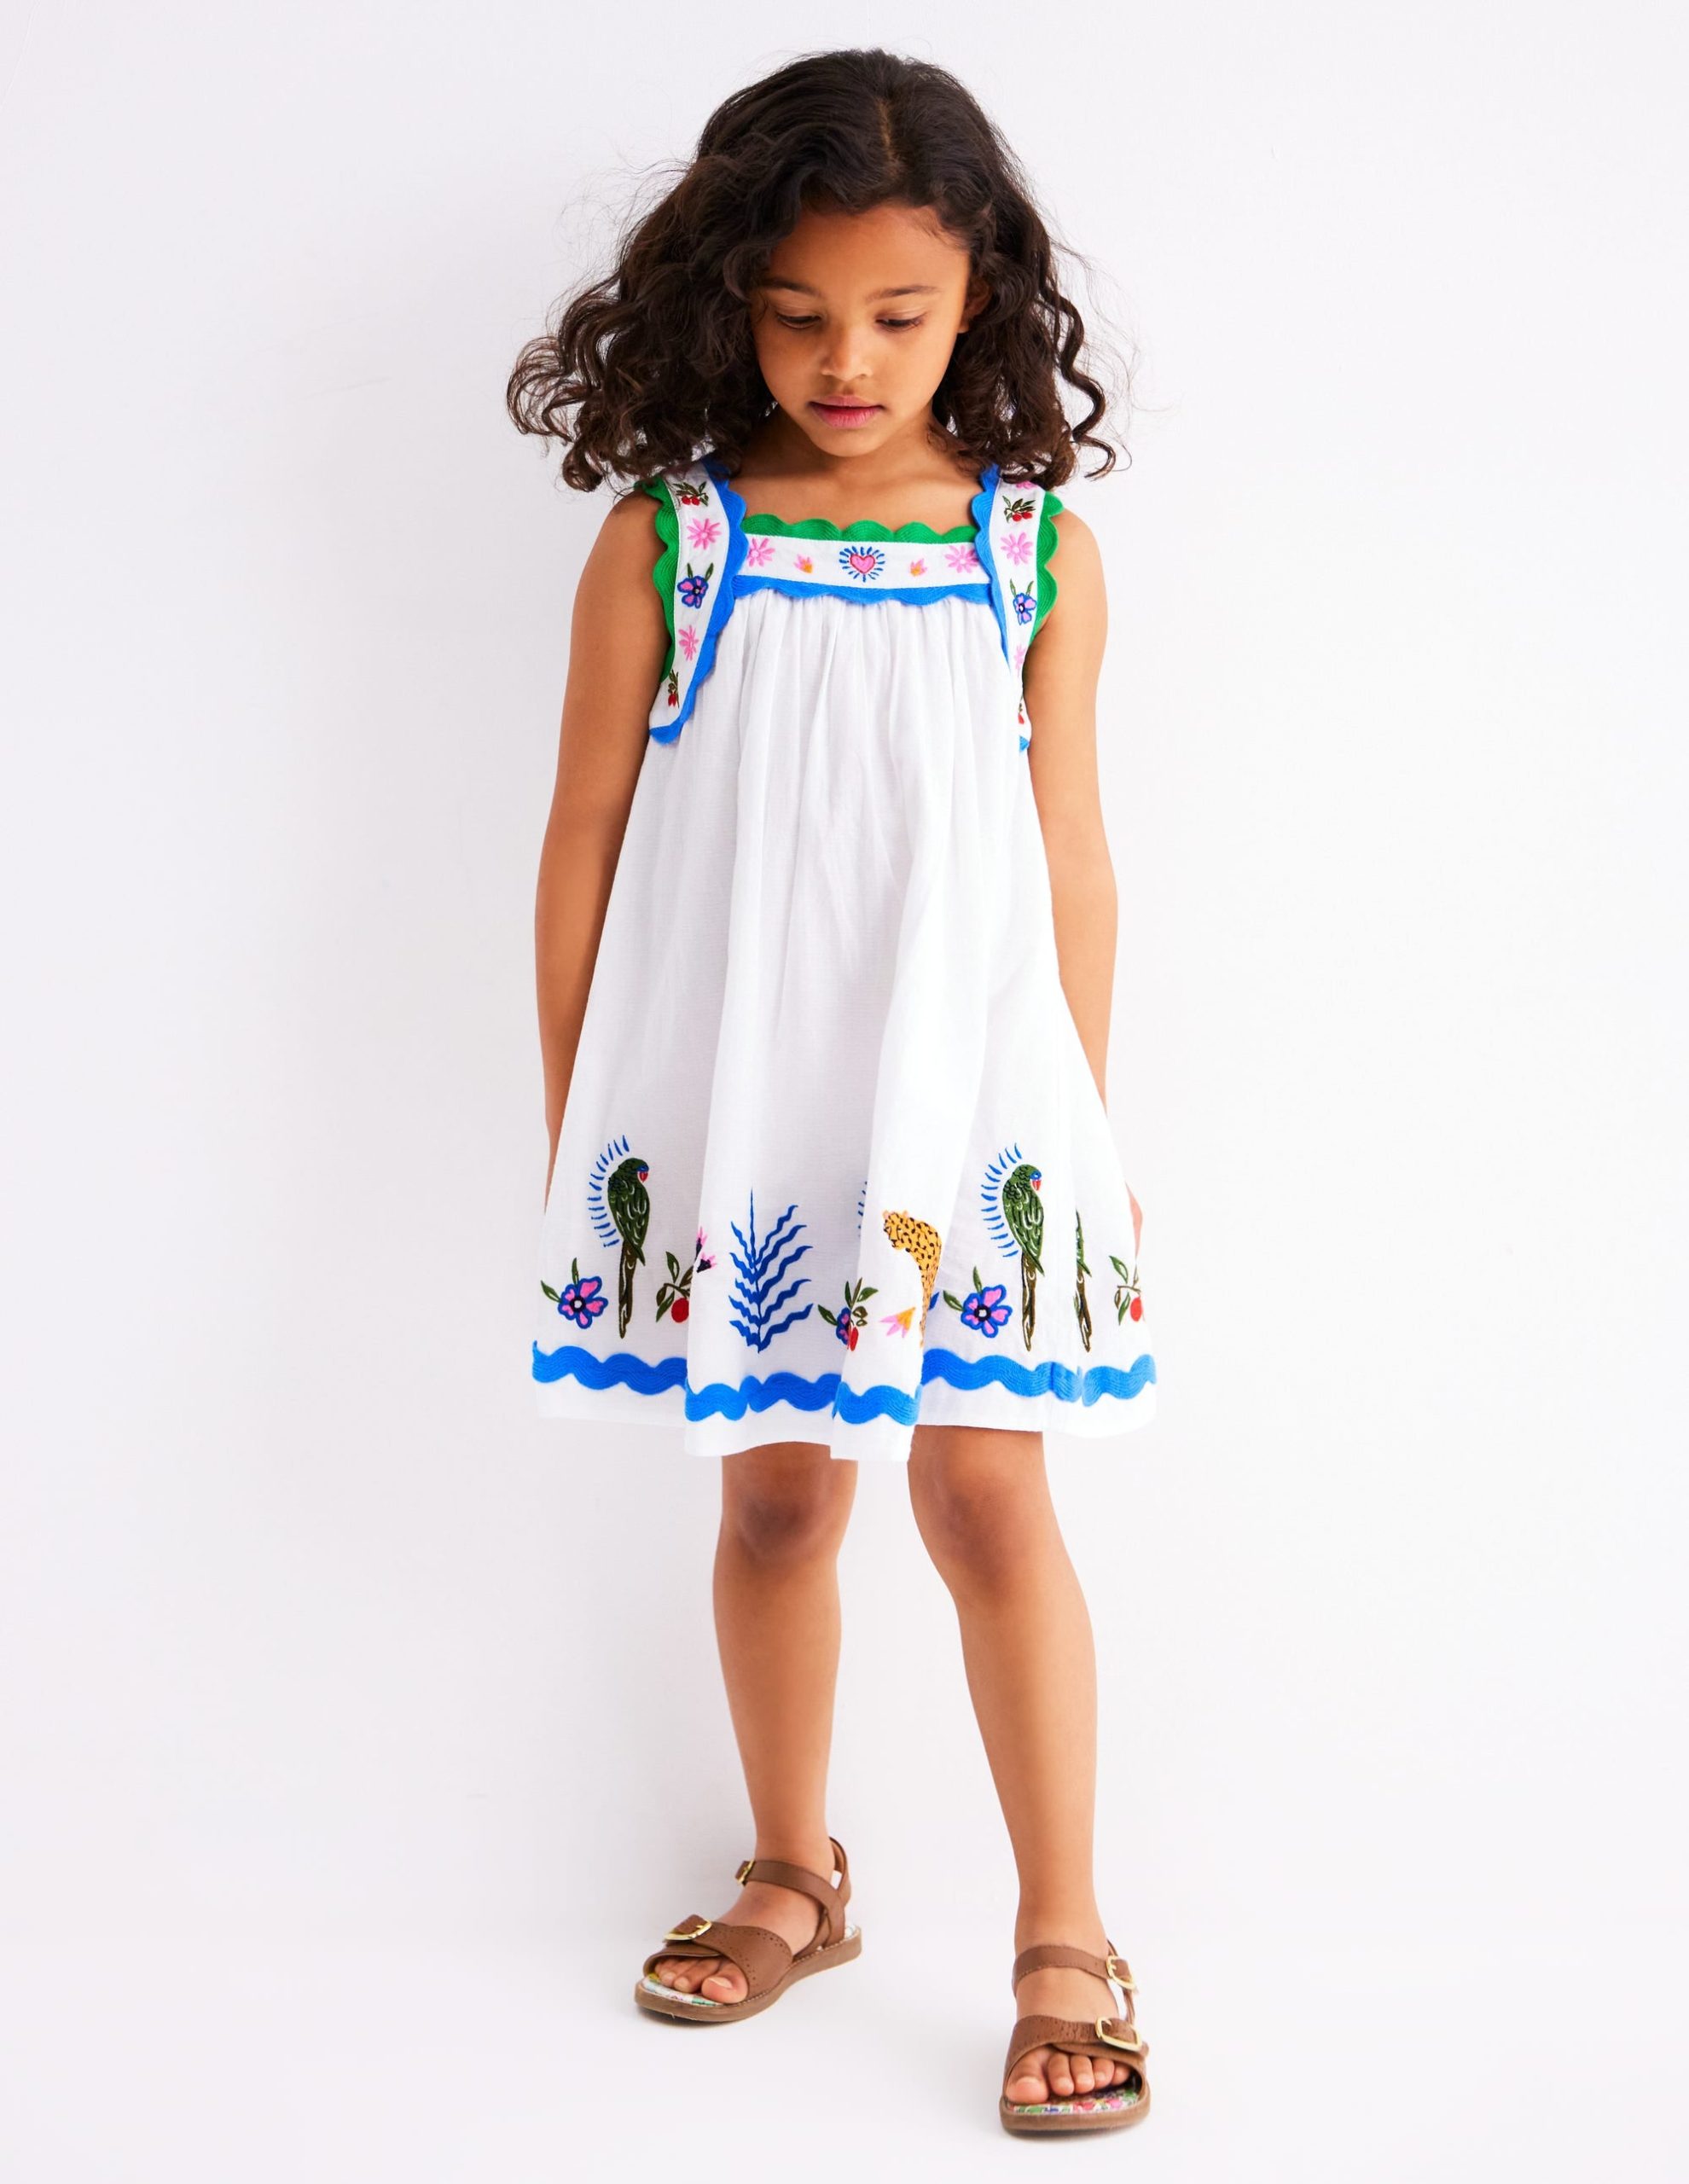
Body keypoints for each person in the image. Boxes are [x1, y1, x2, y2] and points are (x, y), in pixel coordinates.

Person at [507, 47, 1159, 2135]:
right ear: (729, 297)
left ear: (982, 300)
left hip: (972, 1101)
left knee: (988, 1495)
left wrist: (1082, 1127)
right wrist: (583, 1126)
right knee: (779, 1496)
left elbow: (1071, 854)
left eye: (896, 314)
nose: (846, 360)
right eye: (797, 315)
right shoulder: (671, 541)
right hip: (749, 1103)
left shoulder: (1029, 553)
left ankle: (1067, 1932)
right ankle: (796, 1868)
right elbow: (583, 840)